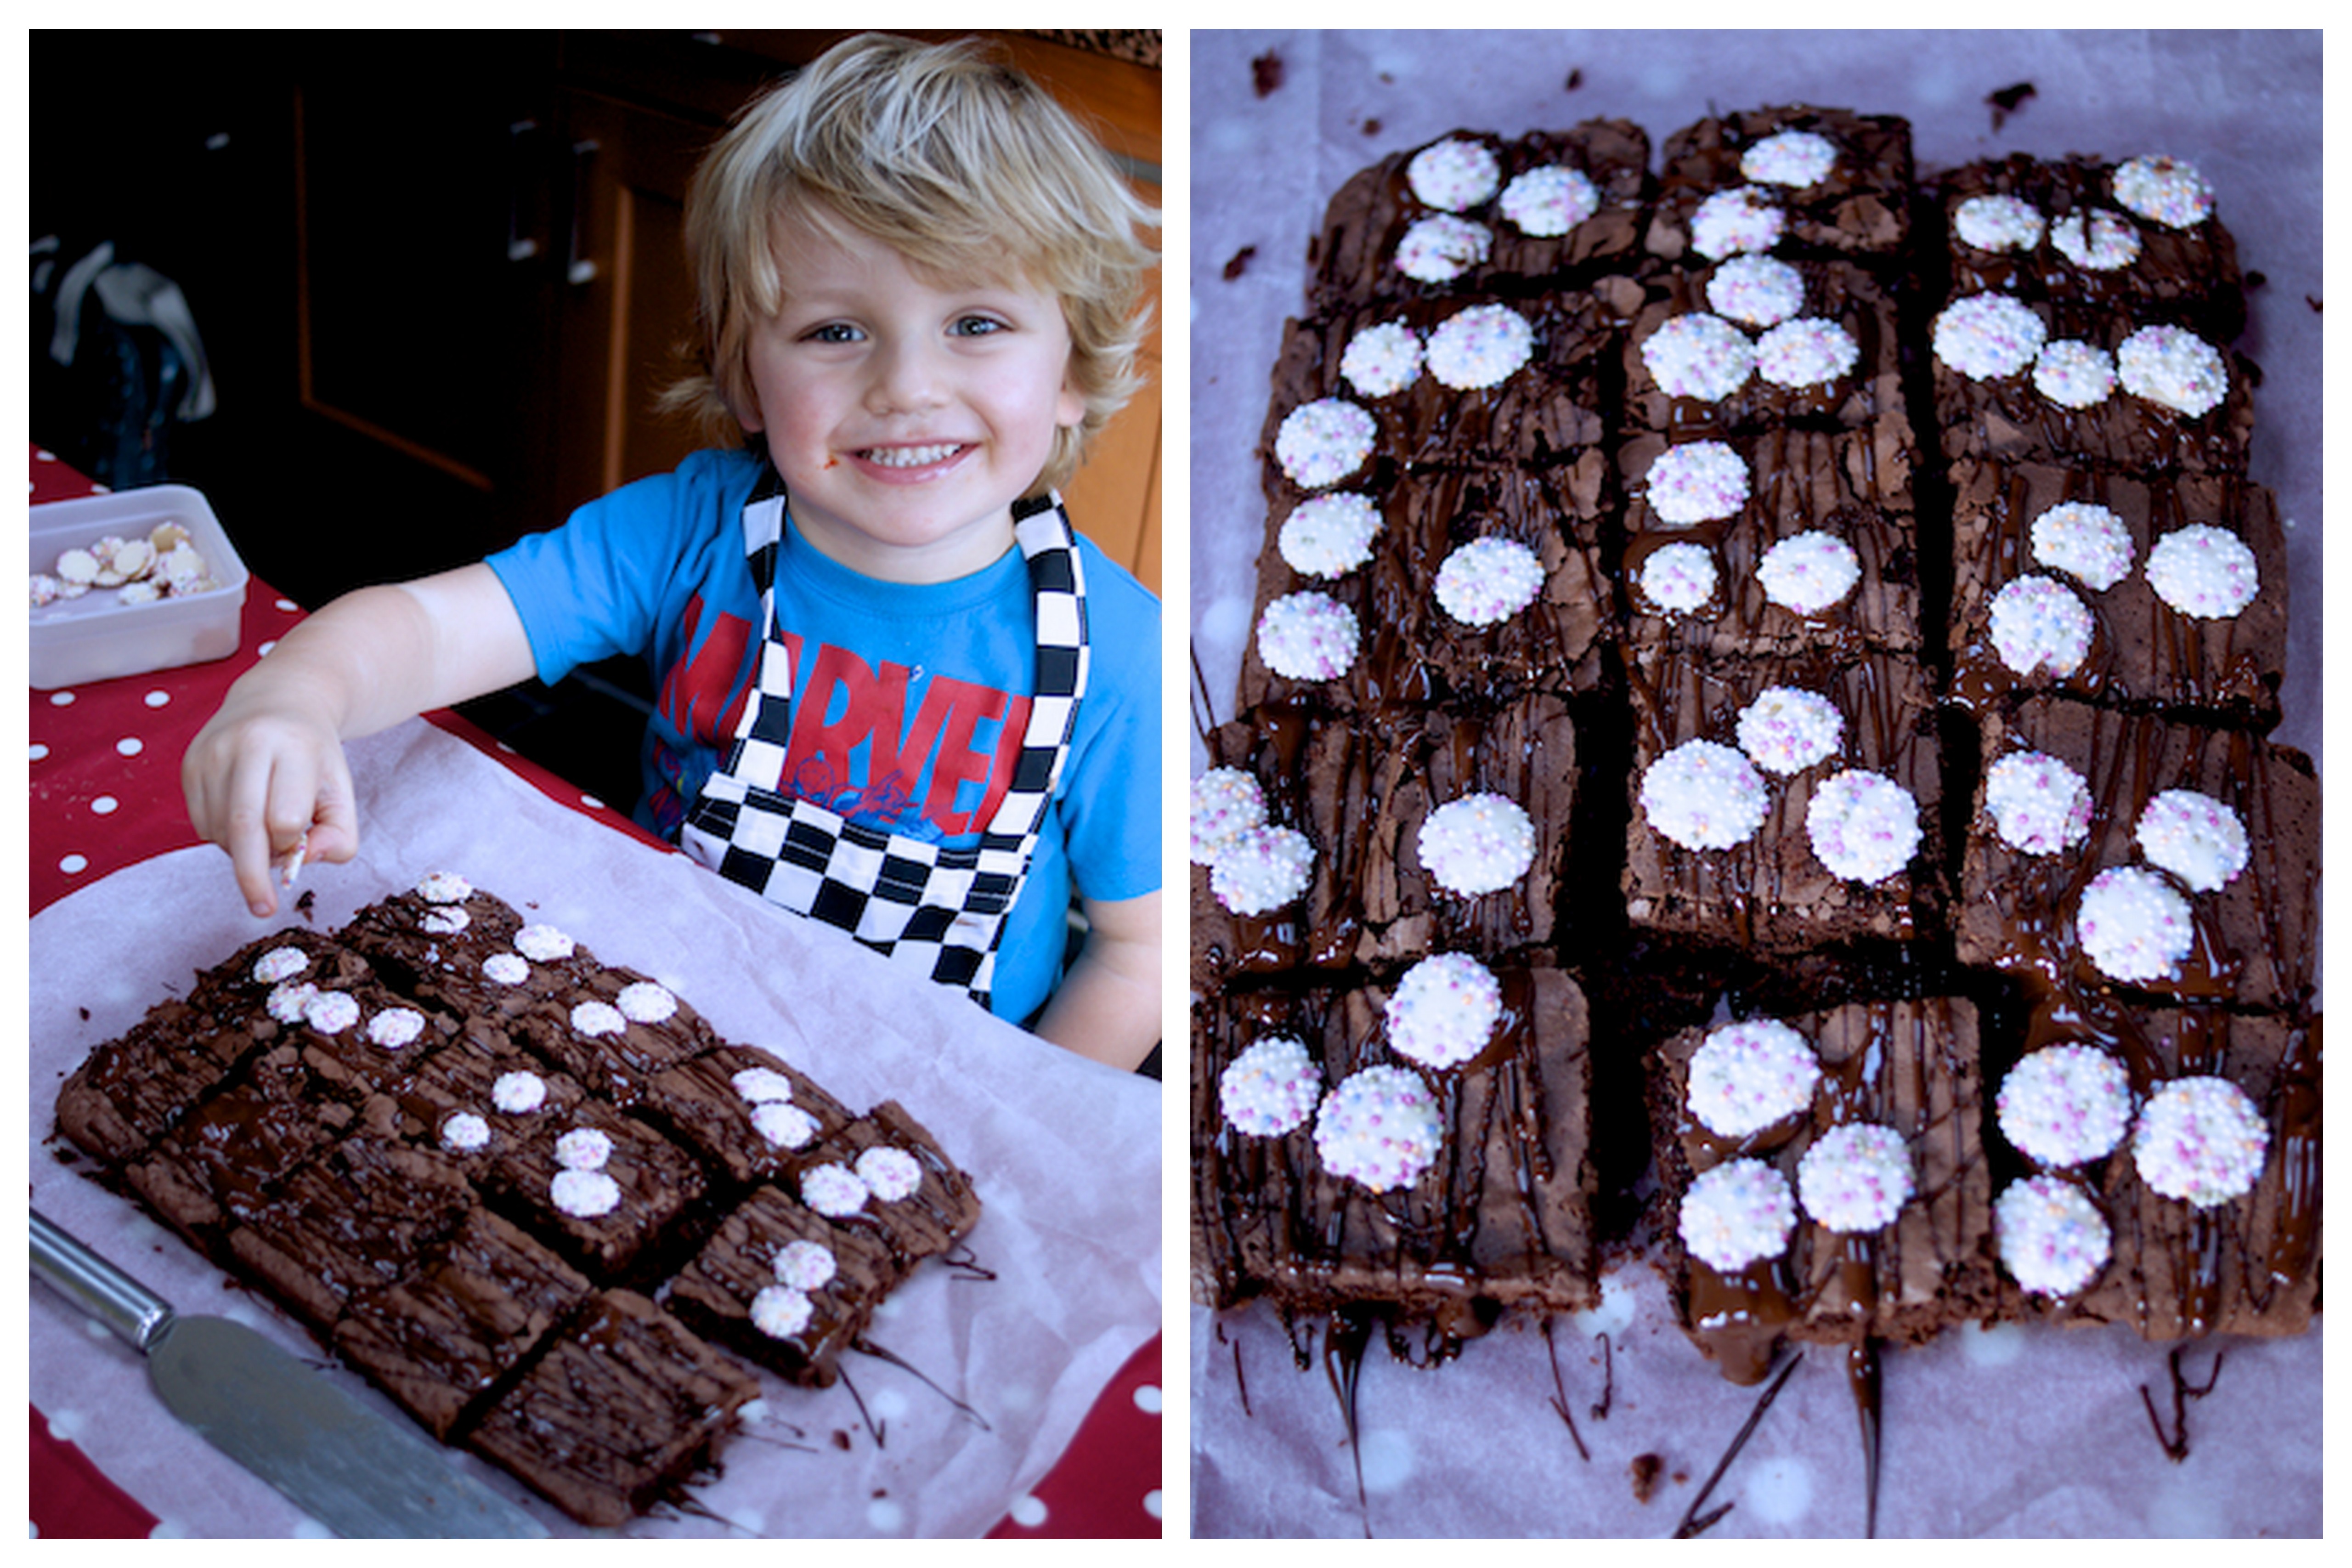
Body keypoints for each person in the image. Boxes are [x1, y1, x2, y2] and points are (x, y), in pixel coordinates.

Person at [181, 33, 1163, 1070]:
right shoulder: (689, 533)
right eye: (836, 332)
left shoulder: (1118, 653)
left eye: (975, 321)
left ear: (1071, 373)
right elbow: (427, 630)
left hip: (942, 1092)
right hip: (656, 1034)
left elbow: (1137, 957)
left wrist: (1020, 1133)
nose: (907, 386)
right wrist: (293, 695)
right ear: (741, 377)